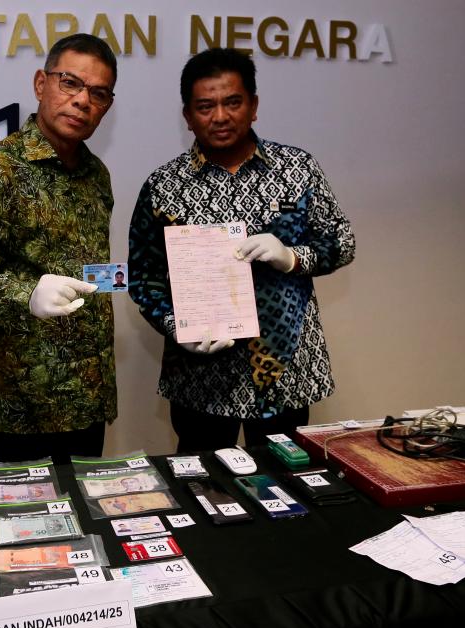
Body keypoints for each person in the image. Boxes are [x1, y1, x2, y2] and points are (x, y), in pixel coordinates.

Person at [128, 48, 355, 452]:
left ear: (253, 105)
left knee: (286, 494)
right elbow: (144, 277)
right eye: (205, 106)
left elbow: (341, 241)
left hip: (283, 373)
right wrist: (174, 324)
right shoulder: (164, 185)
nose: (220, 116)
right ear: (187, 115)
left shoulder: (298, 169)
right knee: (204, 492)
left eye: (233, 102)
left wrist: (292, 256)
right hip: (201, 378)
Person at [0, 34, 118, 465]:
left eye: (97, 93)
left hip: (88, 393)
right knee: (29, 527)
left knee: (93, 519)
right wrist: (27, 294)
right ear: (41, 84)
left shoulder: (97, 175)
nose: (82, 101)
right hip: (22, 403)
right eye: (70, 83)